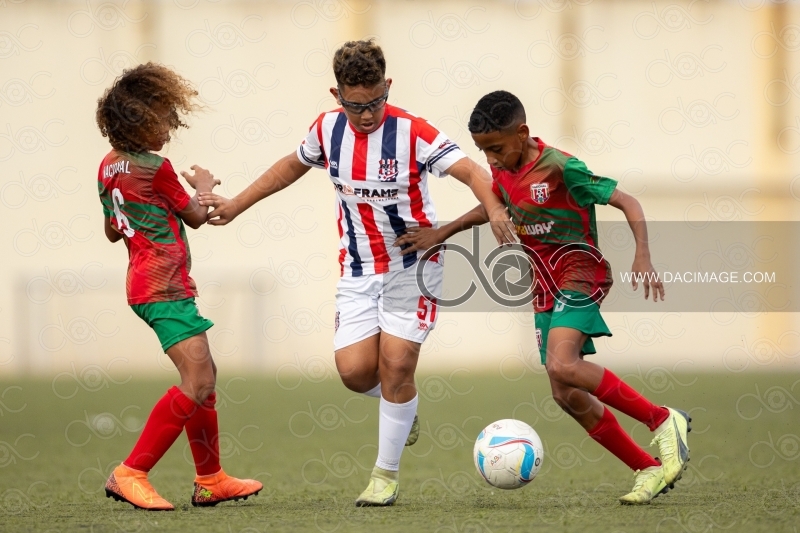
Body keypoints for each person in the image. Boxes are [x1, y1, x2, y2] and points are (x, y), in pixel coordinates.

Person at [198, 40, 514, 506]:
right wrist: (237, 205)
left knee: (397, 364)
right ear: (336, 95)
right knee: (353, 372)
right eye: (355, 105)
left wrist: (495, 211)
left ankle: (384, 476)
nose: (366, 115)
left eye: (375, 103)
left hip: (414, 265)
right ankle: (401, 403)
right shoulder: (327, 130)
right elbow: (289, 167)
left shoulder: (413, 132)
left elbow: (471, 171)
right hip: (358, 270)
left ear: (388, 87)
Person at [396, 90, 691, 505]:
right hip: (544, 284)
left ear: (523, 132)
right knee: (564, 391)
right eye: (484, 153)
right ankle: (647, 467)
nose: (492, 161)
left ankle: (662, 419)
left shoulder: (561, 167)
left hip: (579, 270)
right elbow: (493, 206)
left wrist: (642, 253)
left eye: (497, 149)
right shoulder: (502, 169)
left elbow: (627, 200)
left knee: (562, 363)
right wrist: (441, 232)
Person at [95, 63, 262, 510]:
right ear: (140, 120)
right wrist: (203, 187)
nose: (169, 126)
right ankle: (130, 473)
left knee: (204, 383)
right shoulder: (156, 167)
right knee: (199, 378)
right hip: (164, 286)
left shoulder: (109, 166)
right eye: (163, 117)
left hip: (143, 282)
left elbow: (114, 230)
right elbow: (195, 217)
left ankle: (211, 479)